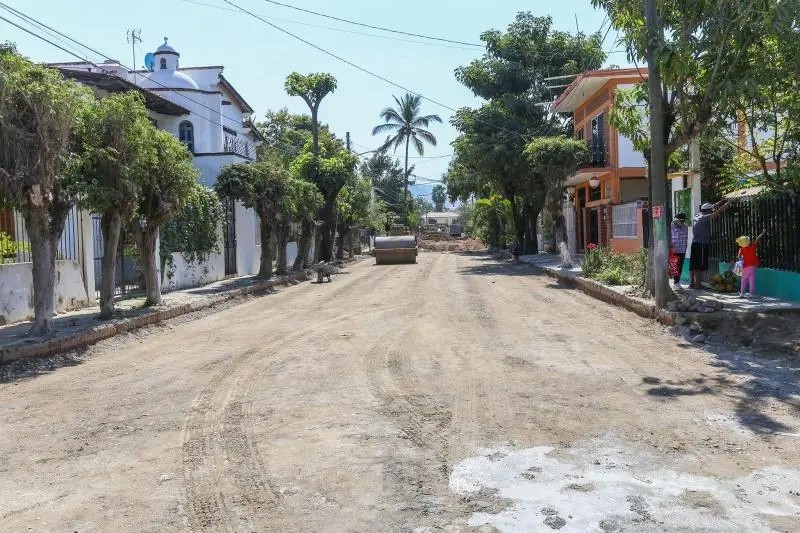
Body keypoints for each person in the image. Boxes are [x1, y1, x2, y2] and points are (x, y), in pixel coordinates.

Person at [689, 199, 731, 289]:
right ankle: (698, 284)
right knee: (698, 265)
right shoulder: (705, 217)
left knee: (693, 264)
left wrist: (720, 201)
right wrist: (728, 203)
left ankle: (692, 283)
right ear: (707, 211)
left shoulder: (697, 215)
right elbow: (717, 212)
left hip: (694, 243)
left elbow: (713, 207)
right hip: (701, 244)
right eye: (710, 210)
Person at [735, 231, 766, 297]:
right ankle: (751, 293)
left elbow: (738, 257)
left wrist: (740, 256)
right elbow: (757, 240)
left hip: (745, 266)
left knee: (744, 280)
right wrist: (762, 234)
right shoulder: (752, 247)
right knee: (752, 279)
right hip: (752, 266)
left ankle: (742, 293)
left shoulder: (741, 249)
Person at [670, 213, 689, 286]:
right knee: (675, 266)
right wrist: (676, 220)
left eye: (683, 220)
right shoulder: (672, 226)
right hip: (674, 250)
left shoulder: (685, 227)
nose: (683, 222)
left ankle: (677, 282)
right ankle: (676, 281)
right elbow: (673, 222)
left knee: (680, 266)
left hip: (682, 250)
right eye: (681, 220)